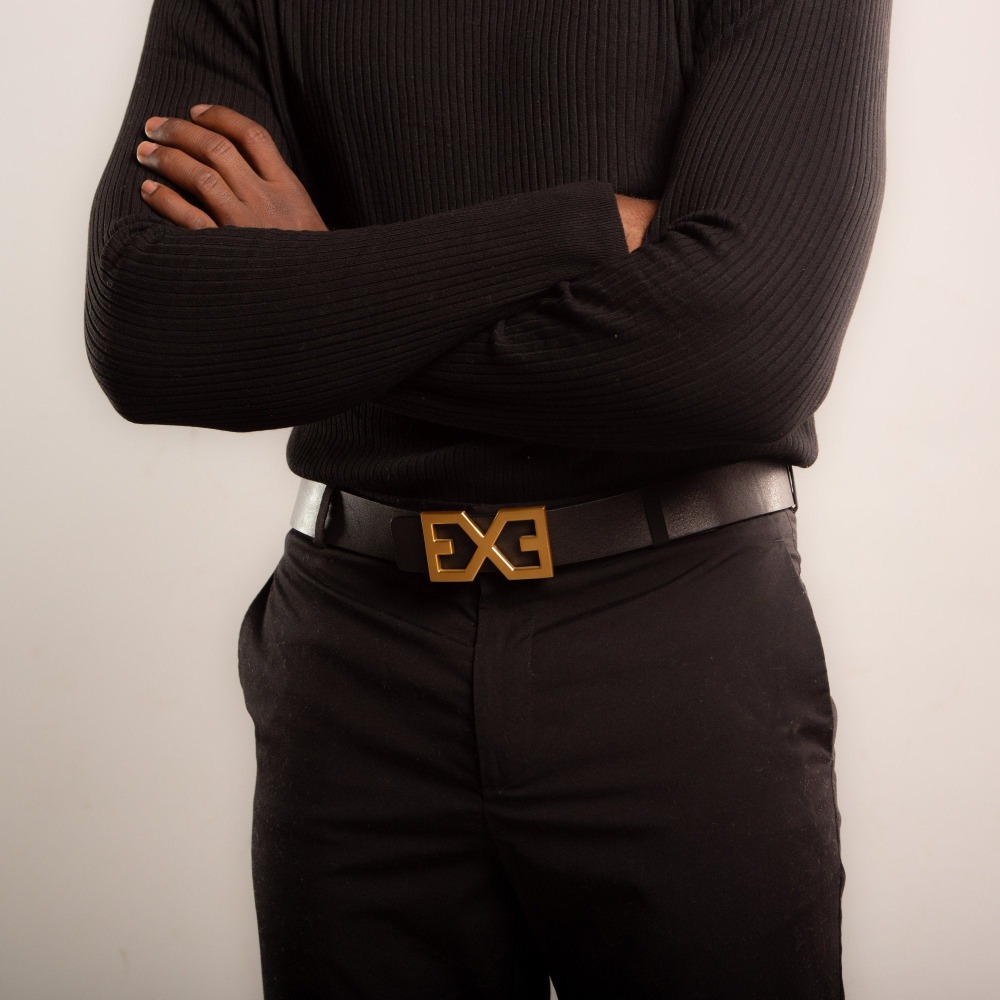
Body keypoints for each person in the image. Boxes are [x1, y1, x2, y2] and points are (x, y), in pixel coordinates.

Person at [85, 0, 891, 996]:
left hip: (678, 645)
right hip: (356, 660)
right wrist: (574, 231)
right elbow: (147, 326)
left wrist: (328, 287)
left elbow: (747, 353)